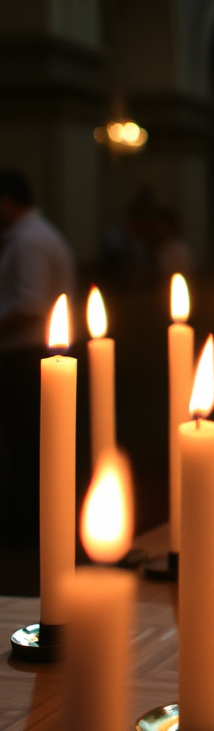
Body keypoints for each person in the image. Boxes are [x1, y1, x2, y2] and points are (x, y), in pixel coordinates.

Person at [0, 169, 75, 545]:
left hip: (28, 359)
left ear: (7, 200)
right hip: (33, 358)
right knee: (32, 444)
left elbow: (31, 302)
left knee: (31, 446)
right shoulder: (32, 235)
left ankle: (32, 527)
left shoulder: (29, 241)